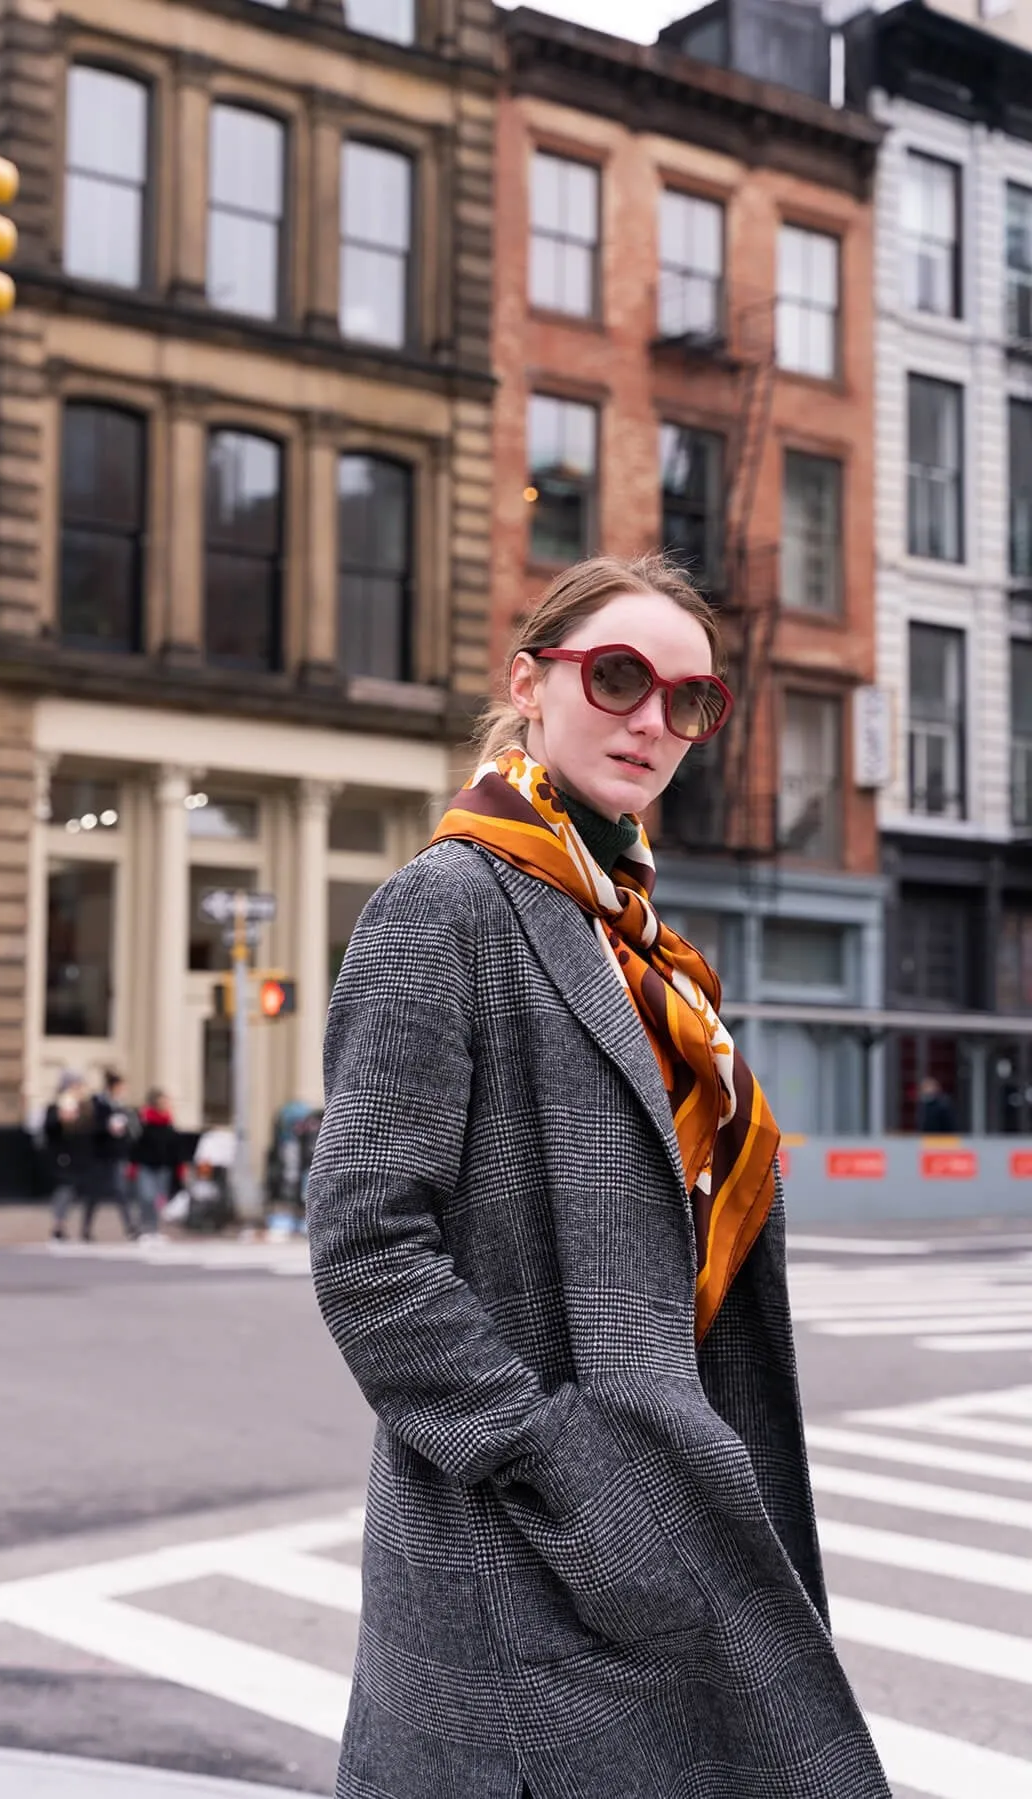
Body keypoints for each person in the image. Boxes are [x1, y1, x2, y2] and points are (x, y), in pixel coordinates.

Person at [306, 554, 890, 1799]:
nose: (651, 719)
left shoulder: (636, 939)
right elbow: (367, 1250)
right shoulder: (445, 907)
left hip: (676, 1502)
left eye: (690, 698)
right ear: (529, 682)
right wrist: (556, 1461)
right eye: (618, 675)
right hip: (524, 1548)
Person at [83, 1069, 140, 1242]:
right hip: (100, 1155)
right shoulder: (98, 1105)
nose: (123, 1090)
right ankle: (86, 1228)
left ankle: (130, 1227)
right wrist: (107, 1128)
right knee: (95, 1193)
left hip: (117, 1155)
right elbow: (92, 1128)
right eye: (121, 1087)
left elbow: (130, 1130)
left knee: (120, 1191)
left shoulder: (121, 1106)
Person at [43, 1071, 92, 1242]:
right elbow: (49, 1129)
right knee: (64, 1190)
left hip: (80, 1157)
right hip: (61, 1157)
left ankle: (83, 1228)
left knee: (77, 1193)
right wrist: (61, 1118)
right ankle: (59, 1224)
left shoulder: (85, 1107)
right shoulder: (55, 1107)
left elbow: (90, 1129)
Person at [132, 1088, 177, 1236]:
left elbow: (172, 1144)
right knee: (147, 1196)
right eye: (162, 1101)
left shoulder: (168, 1120)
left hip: (163, 1165)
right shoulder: (144, 1120)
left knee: (159, 1199)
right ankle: (145, 1225)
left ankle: (154, 1228)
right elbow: (136, 1142)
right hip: (147, 1164)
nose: (165, 1104)